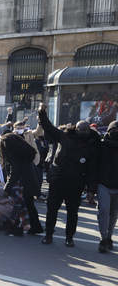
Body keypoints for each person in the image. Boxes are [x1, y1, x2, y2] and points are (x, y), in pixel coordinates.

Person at [38, 104, 100, 246]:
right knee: (52, 209)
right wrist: (42, 112)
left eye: (85, 130)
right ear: (76, 129)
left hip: (76, 183)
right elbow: (48, 127)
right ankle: (48, 234)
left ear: (89, 130)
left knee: (72, 212)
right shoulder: (64, 136)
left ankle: (69, 237)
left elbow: (92, 168)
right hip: (58, 180)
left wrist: (91, 189)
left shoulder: (92, 144)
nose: (83, 132)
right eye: (80, 129)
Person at [0, 132, 41, 236]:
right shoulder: (26, 153)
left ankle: (16, 229)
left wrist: (7, 188)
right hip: (29, 182)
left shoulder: (14, 156)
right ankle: (36, 227)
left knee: (17, 207)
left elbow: (14, 173)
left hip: (20, 184)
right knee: (29, 206)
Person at [91, 121, 118, 253]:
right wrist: (91, 187)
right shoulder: (101, 146)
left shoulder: (101, 145)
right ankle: (103, 238)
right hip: (103, 184)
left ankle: (108, 237)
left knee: (113, 214)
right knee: (104, 211)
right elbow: (94, 166)